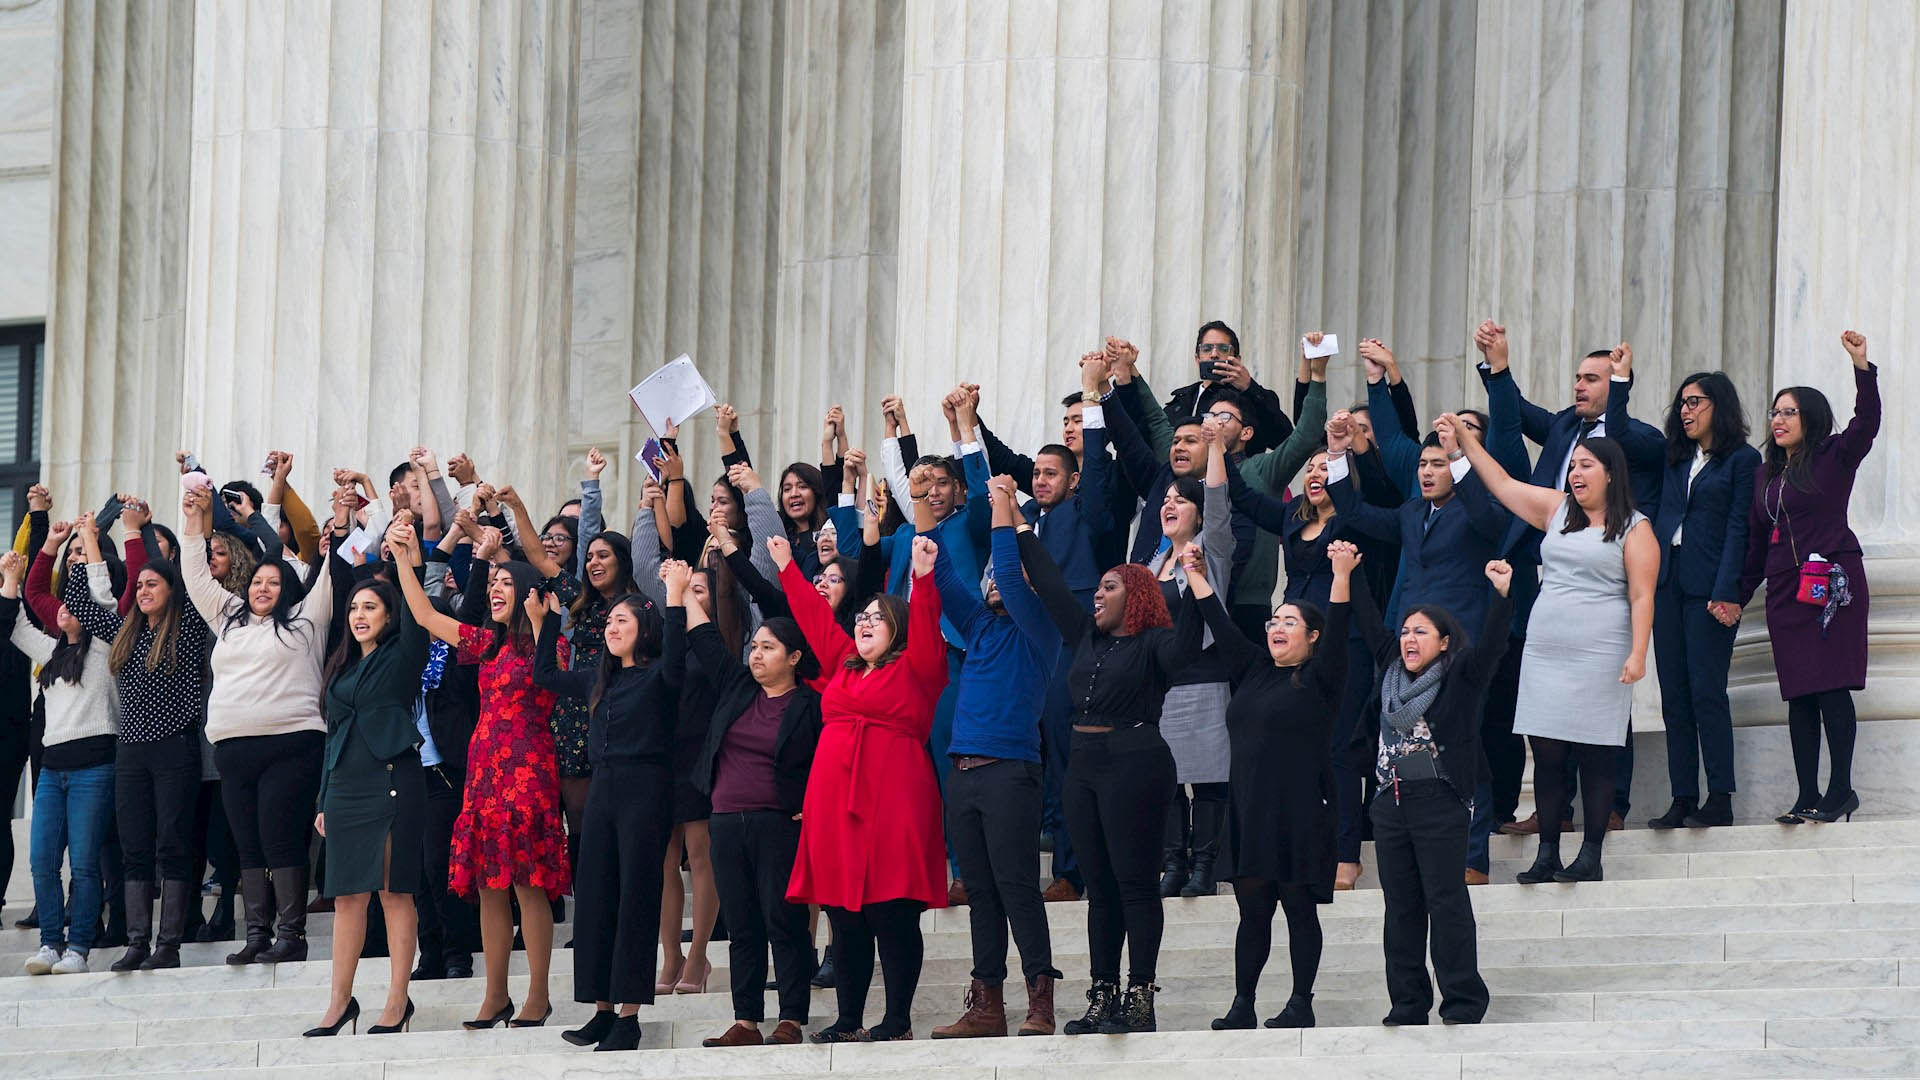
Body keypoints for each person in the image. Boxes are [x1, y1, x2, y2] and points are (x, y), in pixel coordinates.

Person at [1446, 416, 1655, 884]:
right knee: (1547, 751)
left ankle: (1591, 854)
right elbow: (1500, 484)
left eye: (1586, 466)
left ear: (1611, 475)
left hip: (1601, 648)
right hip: (1547, 648)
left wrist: (1638, 653)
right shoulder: (1556, 509)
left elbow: (1643, 596)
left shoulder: (1637, 529)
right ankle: (1546, 854)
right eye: (1574, 465)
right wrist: (1463, 443)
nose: (1576, 474)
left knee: (1596, 753)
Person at [1479, 331, 1664, 837]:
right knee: (1546, 722)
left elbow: (1620, 434)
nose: (1578, 386)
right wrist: (1497, 366)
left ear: (1615, 384)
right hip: (1558, 586)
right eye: (1577, 378)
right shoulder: (1564, 425)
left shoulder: (1643, 437)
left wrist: (1622, 384)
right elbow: (1515, 412)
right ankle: (1552, 812)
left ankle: (1611, 806)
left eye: (1591, 379)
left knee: (1605, 715)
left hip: (1606, 600)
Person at [1035, 546, 1217, 1036]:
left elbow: (1185, 650)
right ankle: (1102, 995)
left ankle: (1140, 997)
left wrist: (1195, 580)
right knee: (1100, 891)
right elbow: (1051, 584)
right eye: (1098, 586)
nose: (1097, 593)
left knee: (1134, 885)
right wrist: (1016, 523)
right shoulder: (1086, 638)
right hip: (1084, 766)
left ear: (1135, 595)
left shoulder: (1155, 641)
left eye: (1109, 587)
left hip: (1135, 762)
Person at [392, 530, 571, 1028]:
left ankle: (538, 994)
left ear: (529, 592)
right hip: (484, 772)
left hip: (529, 770)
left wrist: (543, 622)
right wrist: (408, 559)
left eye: (505, 582)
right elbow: (427, 616)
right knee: (491, 886)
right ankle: (496, 995)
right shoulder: (485, 644)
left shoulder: (548, 642)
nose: (494, 588)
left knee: (528, 884)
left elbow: (550, 680)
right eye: (492, 581)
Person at [774, 533, 948, 1044]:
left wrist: (921, 577)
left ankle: (896, 1020)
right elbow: (813, 619)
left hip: (894, 801)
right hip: (834, 806)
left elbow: (926, 625)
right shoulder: (844, 664)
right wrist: (786, 566)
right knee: (843, 916)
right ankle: (848, 1019)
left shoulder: (918, 668)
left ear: (898, 630)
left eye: (877, 617)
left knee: (892, 912)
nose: (864, 622)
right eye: (862, 616)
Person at [1347, 556, 1514, 1026]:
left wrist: (1501, 595)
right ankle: (1407, 1003)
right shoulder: (1388, 673)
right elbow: (1366, 618)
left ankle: (1462, 1002)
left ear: (1443, 643)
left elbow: (1494, 647)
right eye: (1405, 631)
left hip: (1440, 801)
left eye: (1421, 632)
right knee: (1400, 907)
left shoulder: (1462, 676)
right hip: (1389, 802)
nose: (1408, 638)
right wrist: (1352, 572)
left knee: (1445, 901)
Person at [180, 485, 344, 965]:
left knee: (279, 835)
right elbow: (195, 577)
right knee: (246, 842)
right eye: (257, 581)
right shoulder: (229, 618)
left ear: (288, 588)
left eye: (274, 582)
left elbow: (331, 574)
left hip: (291, 746)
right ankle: (257, 935)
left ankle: (291, 935)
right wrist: (194, 522)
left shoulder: (306, 620)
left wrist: (342, 524)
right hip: (234, 749)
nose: (263, 588)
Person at [926, 476, 1065, 1040]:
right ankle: (987, 1004)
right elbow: (945, 583)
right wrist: (927, 531)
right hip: (963, 774)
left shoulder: (1041, 630)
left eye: (1003, 579)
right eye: (989, 579)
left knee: (1016, 887)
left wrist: (1004, 506)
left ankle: (1040, 999)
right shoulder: (982, 627)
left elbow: (1008, 570)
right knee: (980, 893)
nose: (992, 583)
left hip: (1011, 773)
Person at [1208, 540, 1356, 1030]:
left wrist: (1340, 575)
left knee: (1296, 909)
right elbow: (1221, 625)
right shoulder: (1252, 670)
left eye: (1290, 622)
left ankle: (1300, 1002)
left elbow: (1338, 629)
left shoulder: (1322, 676)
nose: (1276, 626)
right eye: (1274, 620)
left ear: (1312, 637)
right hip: (1249, 810)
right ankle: (1242, 1003)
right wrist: (1192, 568)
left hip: (1301, 810)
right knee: (1252, 913)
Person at [62, 509, 215, 972]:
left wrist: (144, 530)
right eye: (141, 585)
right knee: (133, 846)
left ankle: (167, 944)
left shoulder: (187, 629)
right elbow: (81, 602)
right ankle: (135, 941)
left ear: (170, 591)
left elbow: (191, 576)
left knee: (171, 841)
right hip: (131, 750)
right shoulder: (124, 631)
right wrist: (91, 538)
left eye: (153, 583)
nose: (144, 590)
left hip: (175, 747)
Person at [533, 568, 678, 1054]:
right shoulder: (601, 679)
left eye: (623, 620)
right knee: (594, 895)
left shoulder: (661, 672)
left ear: (645, 627)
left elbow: (678, 656)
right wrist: (550, 621)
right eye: (610, 621)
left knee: (637, 895)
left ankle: (630, 1015)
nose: (613, 628)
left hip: (646, 788)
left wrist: (675, 596)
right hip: (603, 790)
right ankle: (601, 1009)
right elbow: (546, 676)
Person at [1741, 331, 1879, 825]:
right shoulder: (1765, 476)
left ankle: (1841, 790)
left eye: (1789, 412)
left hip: (1832, 586)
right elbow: (1756, 545)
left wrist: (1862, 367)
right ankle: (1806, 795)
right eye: (1775, 412)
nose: (1777, 420)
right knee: (1799, 692)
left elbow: (1868, 423)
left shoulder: (1835, 455)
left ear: (1811, 419)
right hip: (1784, 591)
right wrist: (1734, 597)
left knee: (1830, 686)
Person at [303, 517, 433, 1038]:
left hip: (393, 780)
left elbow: (419, 618)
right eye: (354, 608)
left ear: (389, 615)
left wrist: (401, 559)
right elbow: (333, 736)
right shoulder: (343, 666)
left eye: (370, 607)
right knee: (348, 897)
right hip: (345, 787)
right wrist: (323, 799)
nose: (359, 616)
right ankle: (339, 1004)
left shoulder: (405, 653)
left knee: (392, 893)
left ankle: (397, 1002)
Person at [691, 614, 824, 1049]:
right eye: (753, 647)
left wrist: (814, 803)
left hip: (778, 823)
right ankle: (746, 1019)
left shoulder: (809, 705)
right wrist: (686, 593)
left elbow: (826, 759)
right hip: (726, 820)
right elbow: (707, 638)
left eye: (768, 647)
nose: (757, 655)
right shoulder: (738, 689)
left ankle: (791, 1018)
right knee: (742, 925)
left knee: (783, 920)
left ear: (795, 657)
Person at [1647, 373, 1761, 829]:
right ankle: (1682, 796)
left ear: (1720, 406)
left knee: (1706, 691)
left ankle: (1721, 797)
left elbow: (1740, 527)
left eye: (1695, 402)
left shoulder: (1743, 459)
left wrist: (1727, 589)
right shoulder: (1674, 459)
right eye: (1681, 404)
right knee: (1673, 696)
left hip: (1710, 589)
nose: (1686, 411)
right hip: (1667, 583)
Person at [4, 544, 119, 975]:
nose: (65, 610)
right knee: (42, 861)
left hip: (95, 765)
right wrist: (11, 576)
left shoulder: (108, 648)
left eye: (75, 605)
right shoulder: (51, 651)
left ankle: (79, 948)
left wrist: (90, 542)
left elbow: (104, 599)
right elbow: (16, 623)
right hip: (52, 769)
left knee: (86, 864)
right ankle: (50, 943)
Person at [1148, 422, 1235, 900]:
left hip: (1203, 678)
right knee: (1165, 779)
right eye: (1165, 499)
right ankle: (1173, 863)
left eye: (1180, 500)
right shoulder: (1149, 564)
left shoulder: (1212, 551)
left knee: (1206, 777)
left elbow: (1220, 506)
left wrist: (1217, 447)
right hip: (1159, 685)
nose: (1169, 505)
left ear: (1198, 515)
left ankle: (1204, 866)